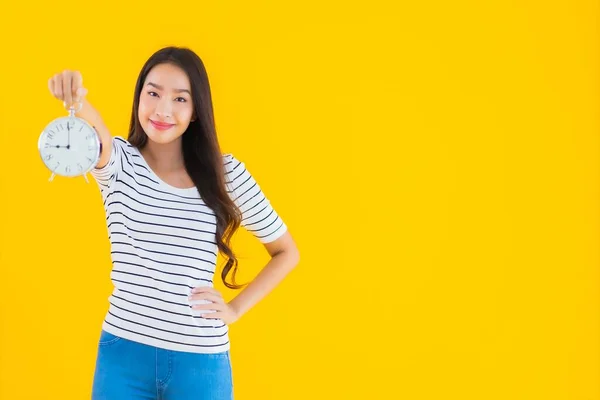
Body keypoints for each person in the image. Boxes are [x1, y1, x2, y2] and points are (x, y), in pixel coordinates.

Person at [46, 46, 300, 400]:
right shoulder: (119, 163)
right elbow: (98, 134)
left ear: (196, 111)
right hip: (124, 354)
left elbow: (287, 252)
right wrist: (77, 99)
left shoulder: (226, 174)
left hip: (200, 364)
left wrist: (235, 309)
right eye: (153, 93)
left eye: (181, 99)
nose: (163, 110)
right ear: (139, 97)